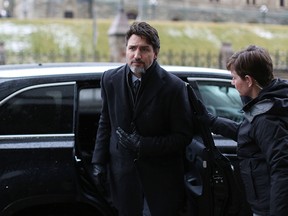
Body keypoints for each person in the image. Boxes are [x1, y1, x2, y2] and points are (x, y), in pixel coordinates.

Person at [91, 21, 193, 216]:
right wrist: (98, 162)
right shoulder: (109, 79)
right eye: (132, 48)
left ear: (155, 53)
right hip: (122, 177)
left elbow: (183, 136)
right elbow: (105, 122)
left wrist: (143, 145)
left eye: (144, 49)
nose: (137, 55)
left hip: (161, 181)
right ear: (126, 50)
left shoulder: (174, 87)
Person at [201, 45, 288, 216]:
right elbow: (248, 134)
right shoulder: (266, 104)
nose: (232, 82)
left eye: (234, 78)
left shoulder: (266, 117)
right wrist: (211, 121)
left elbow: (282, 169)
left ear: (248, 80)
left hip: (268, 207)